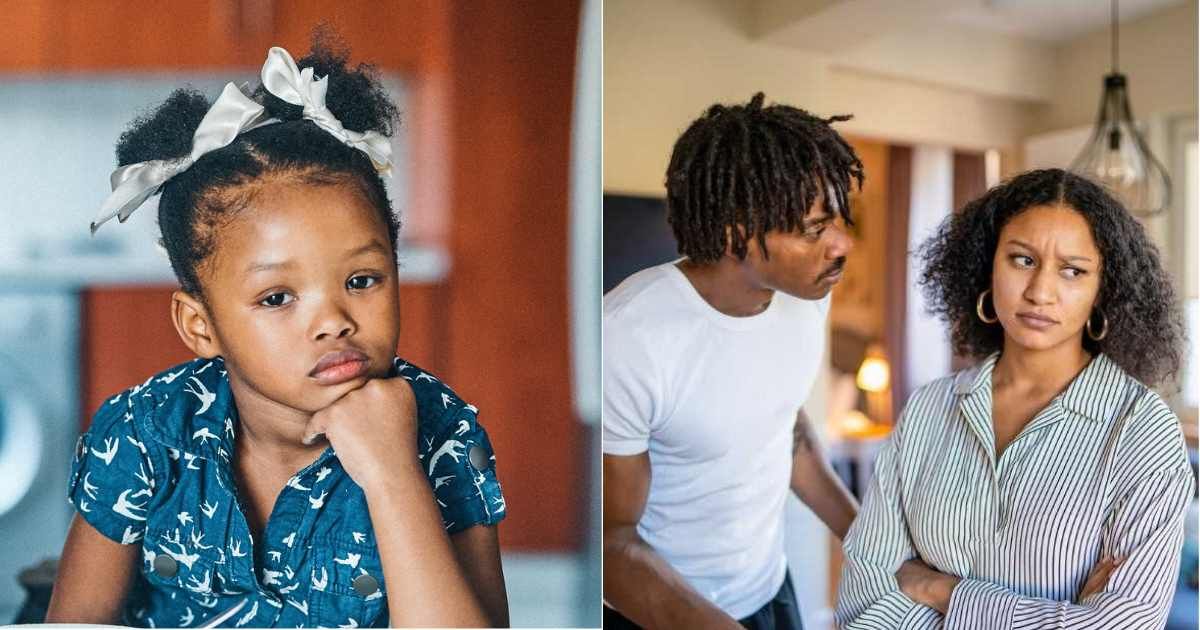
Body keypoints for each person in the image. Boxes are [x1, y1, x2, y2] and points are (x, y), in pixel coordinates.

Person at [45, 33, 508, 628]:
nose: (334, 321)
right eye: (278, 297)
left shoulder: (443, 433)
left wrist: (393, 472)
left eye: (362, 280)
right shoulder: (145, 433)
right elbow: (76, 622)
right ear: (200, 326)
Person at [836, 168, 1193, 629]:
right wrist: (1059, 615)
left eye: (1073, 271)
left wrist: (941, 591)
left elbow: (1123, 625)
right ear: (987, 265)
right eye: (1022, 260)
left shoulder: (1141, 431)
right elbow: (862, 599)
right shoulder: (928, 409)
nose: (1040, 292)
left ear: (1102, 290)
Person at [604, 93, 864, 630]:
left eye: (839, 218)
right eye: (814, 228)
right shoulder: (629, 336)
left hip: (770, 592)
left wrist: (871, 541)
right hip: (659, 611)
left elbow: (786, 430)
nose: (842, 244)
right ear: (735, 232)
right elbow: (612, 544)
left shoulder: (807, 297)